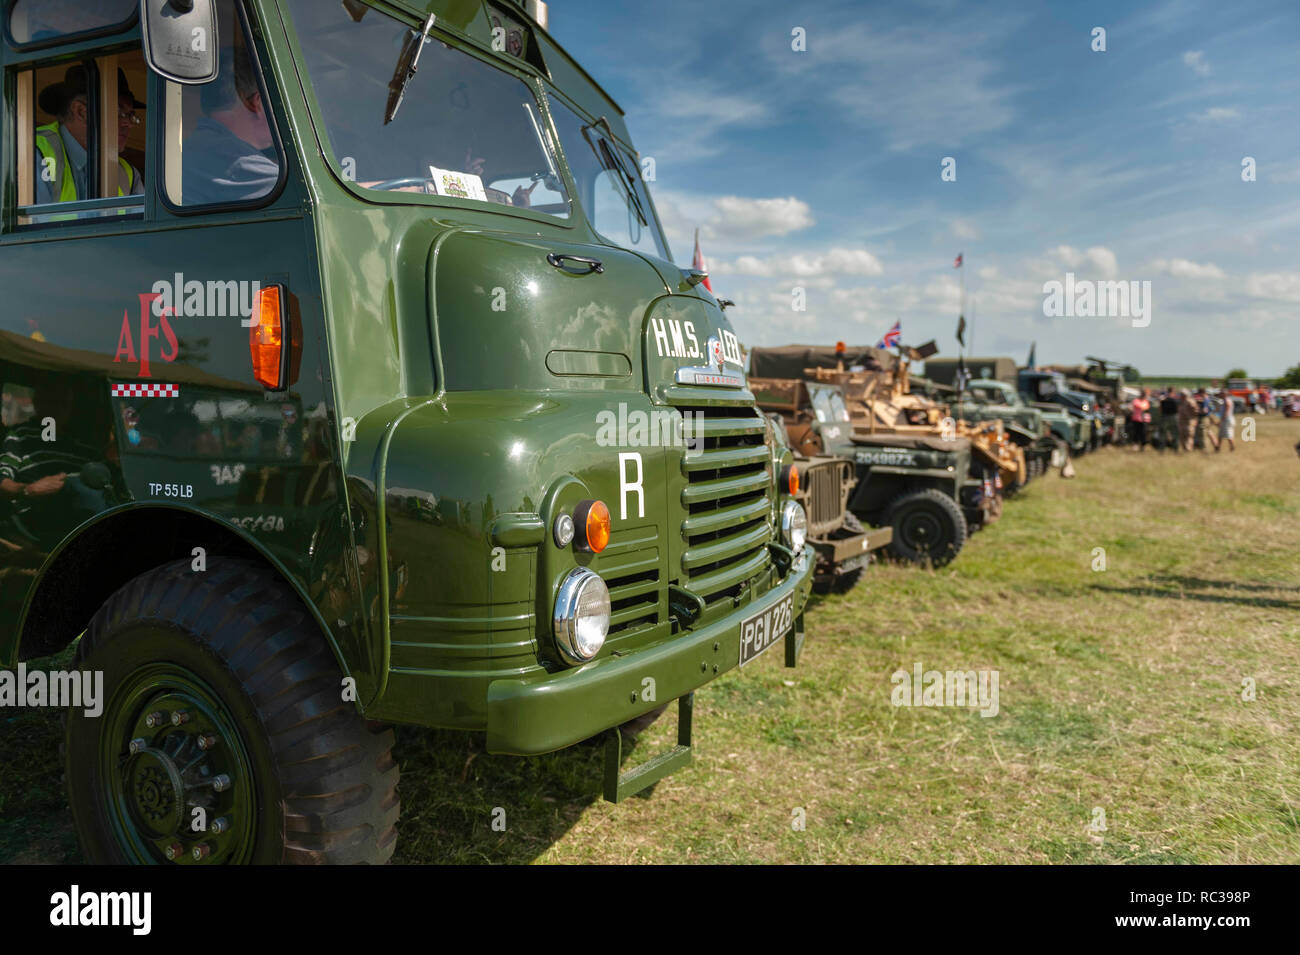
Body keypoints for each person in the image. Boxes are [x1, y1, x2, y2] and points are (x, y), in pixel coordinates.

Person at [180, 44, 280, 205]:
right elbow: (300, 191)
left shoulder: (201, 146)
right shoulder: (228, 157)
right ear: (258, 104)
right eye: (278, 101)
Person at [34, 66, 144, 204]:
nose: (128, 123)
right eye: (119, 113)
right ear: (81, 112)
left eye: (130, 116)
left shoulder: (127, 175)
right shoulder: (37, 154)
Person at [1158, 388, 1180, 452]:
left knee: (1163, 434)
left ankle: (1162, 449)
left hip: (1165, 417)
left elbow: (1160, 410)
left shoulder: (1163, 400)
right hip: (1173, 417)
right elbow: (1178, 410)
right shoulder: (1176, 400)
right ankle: (1175, 449)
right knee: (1175, 434)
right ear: (1173, 392)